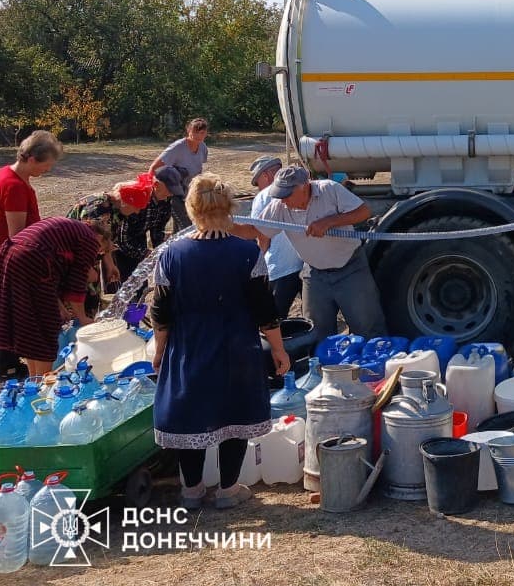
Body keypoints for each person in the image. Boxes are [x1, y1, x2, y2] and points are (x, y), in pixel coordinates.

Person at [149, 174, 289, 510]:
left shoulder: (171, 254)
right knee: (234, 416)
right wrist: (279, 349)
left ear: (191, 209)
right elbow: (265, 310)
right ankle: (228, 490)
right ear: (229, 209)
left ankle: (192, 490)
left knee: (190, 415)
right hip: (235, 347)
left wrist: (159, 351)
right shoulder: (247, 253)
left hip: (188, 347)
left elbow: (160, 312)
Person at [0, 129, 64, 382]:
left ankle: (10, 363)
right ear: (32, 159)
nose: (48, 170)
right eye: (46, 164)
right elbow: (18, 237)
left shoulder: (11, 174)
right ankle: (6, 370)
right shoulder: (13, 187)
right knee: (11, 308)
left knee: (11, 307)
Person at [255, 165, 386, 340]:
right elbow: (258, 231)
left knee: (367, 328)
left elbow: (363, 212)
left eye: (287, 194)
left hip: (350, 268)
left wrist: (329, 221)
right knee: (315, 333)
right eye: (280, 194)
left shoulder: (329, 189)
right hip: (314, 273)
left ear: (304, 186)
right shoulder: (279, 205)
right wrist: (224, 224)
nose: (283, 200)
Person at [0, 216, 113, 378]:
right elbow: (76, 283)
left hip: (8, 254)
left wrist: (61, 308)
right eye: (101, 251)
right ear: (100, 238)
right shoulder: (89, 239)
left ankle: (35, 380)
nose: (97, 254)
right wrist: (83, 318)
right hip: (31, 258)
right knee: (46, 329)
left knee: (30, 325)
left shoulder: (71, 231)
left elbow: (54, 279)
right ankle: (45, 383)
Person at [67, 180, 152, 314]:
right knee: (79, 299)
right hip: (75, 259)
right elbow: (86, 243)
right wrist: (88, 268)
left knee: (93, 298)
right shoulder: (99, 209)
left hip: (92, 256)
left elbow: (106, 241)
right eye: (136, 207)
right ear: (126, 201)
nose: (137, 211)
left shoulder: (117, 210)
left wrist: (110, 265)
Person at [248, 155, 304, 319]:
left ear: (266, 175)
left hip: (280, 267)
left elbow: (261, 234)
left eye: (258, 182)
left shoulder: (263, 196)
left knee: (274, 319)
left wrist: (259, 265)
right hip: (305, 264)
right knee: (311, 316)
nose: (258, 187)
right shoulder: (300, 189)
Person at [148, 117, 210, 231]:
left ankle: (176, 240)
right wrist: (151, 187)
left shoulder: (203, 147)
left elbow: (198, 169)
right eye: (195, 132)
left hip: (190, 191)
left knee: (181, 227)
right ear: (188, 130)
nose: (198, 135)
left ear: (205, 133)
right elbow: (154, 167)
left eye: (202, 132)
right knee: (186, 225)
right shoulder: (177, 147)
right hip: (174, 191)